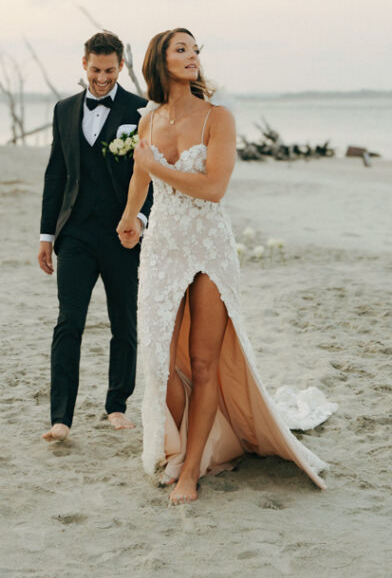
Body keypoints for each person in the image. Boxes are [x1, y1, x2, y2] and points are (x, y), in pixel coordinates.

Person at [117, 28, 334, 503]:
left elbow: (213, 188)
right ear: (160, 60)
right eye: (182, 49)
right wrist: (130, 217)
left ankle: (192, 469)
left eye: (196, 50)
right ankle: (175, 449)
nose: (193, 56)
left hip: (208, 246)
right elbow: (139, 171)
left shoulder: (219, 118)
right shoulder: (149, 119)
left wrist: (158, 170)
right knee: (161, 360)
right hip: (163, 245)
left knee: (203, 360)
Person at [38, 31, 153, 442]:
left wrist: (139, 219)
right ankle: (61, 418)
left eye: (109, 70)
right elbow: (56, 173)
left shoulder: (141, 110)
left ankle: (116, 405)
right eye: (95, 69)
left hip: (122, 233)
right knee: (69, 322)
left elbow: (151, 174)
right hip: (76, 235)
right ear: (83, 63)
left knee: (124, 321)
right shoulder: (64, 109)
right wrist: (46, 234)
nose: (101, 78)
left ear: (120, 66)